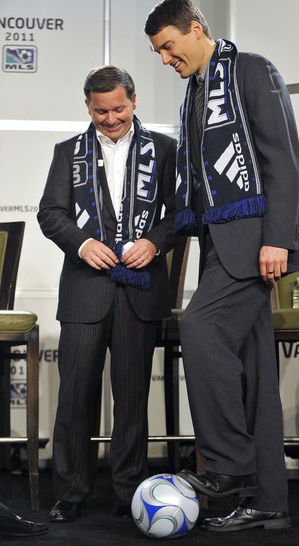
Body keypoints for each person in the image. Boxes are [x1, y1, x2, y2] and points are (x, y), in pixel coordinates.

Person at [144, 0, 299, 533]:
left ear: (196, 29)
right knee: (256, 374)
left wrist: (278, 239)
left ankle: (225, 465)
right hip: (219, 244)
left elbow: (282, 158)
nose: (167, 60)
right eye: (159, 54)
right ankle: (269, 501)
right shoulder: (196, 91)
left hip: (255, 242)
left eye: (170, 47)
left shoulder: (250, 70)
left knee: (199, 326)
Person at [38, 65, 177, 523]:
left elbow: (181, 212)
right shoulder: (67, 152)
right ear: (87, 107)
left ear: (134, 101)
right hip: (84, 289)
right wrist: (81, 242)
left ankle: (131, 494)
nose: (111, 118)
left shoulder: (165, 149)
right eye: (101, 111)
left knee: (133, 398)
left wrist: (155, 240)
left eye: (119, 108)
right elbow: (50, 213)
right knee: (75, 396)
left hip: (140, 289)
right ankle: (71, 493)